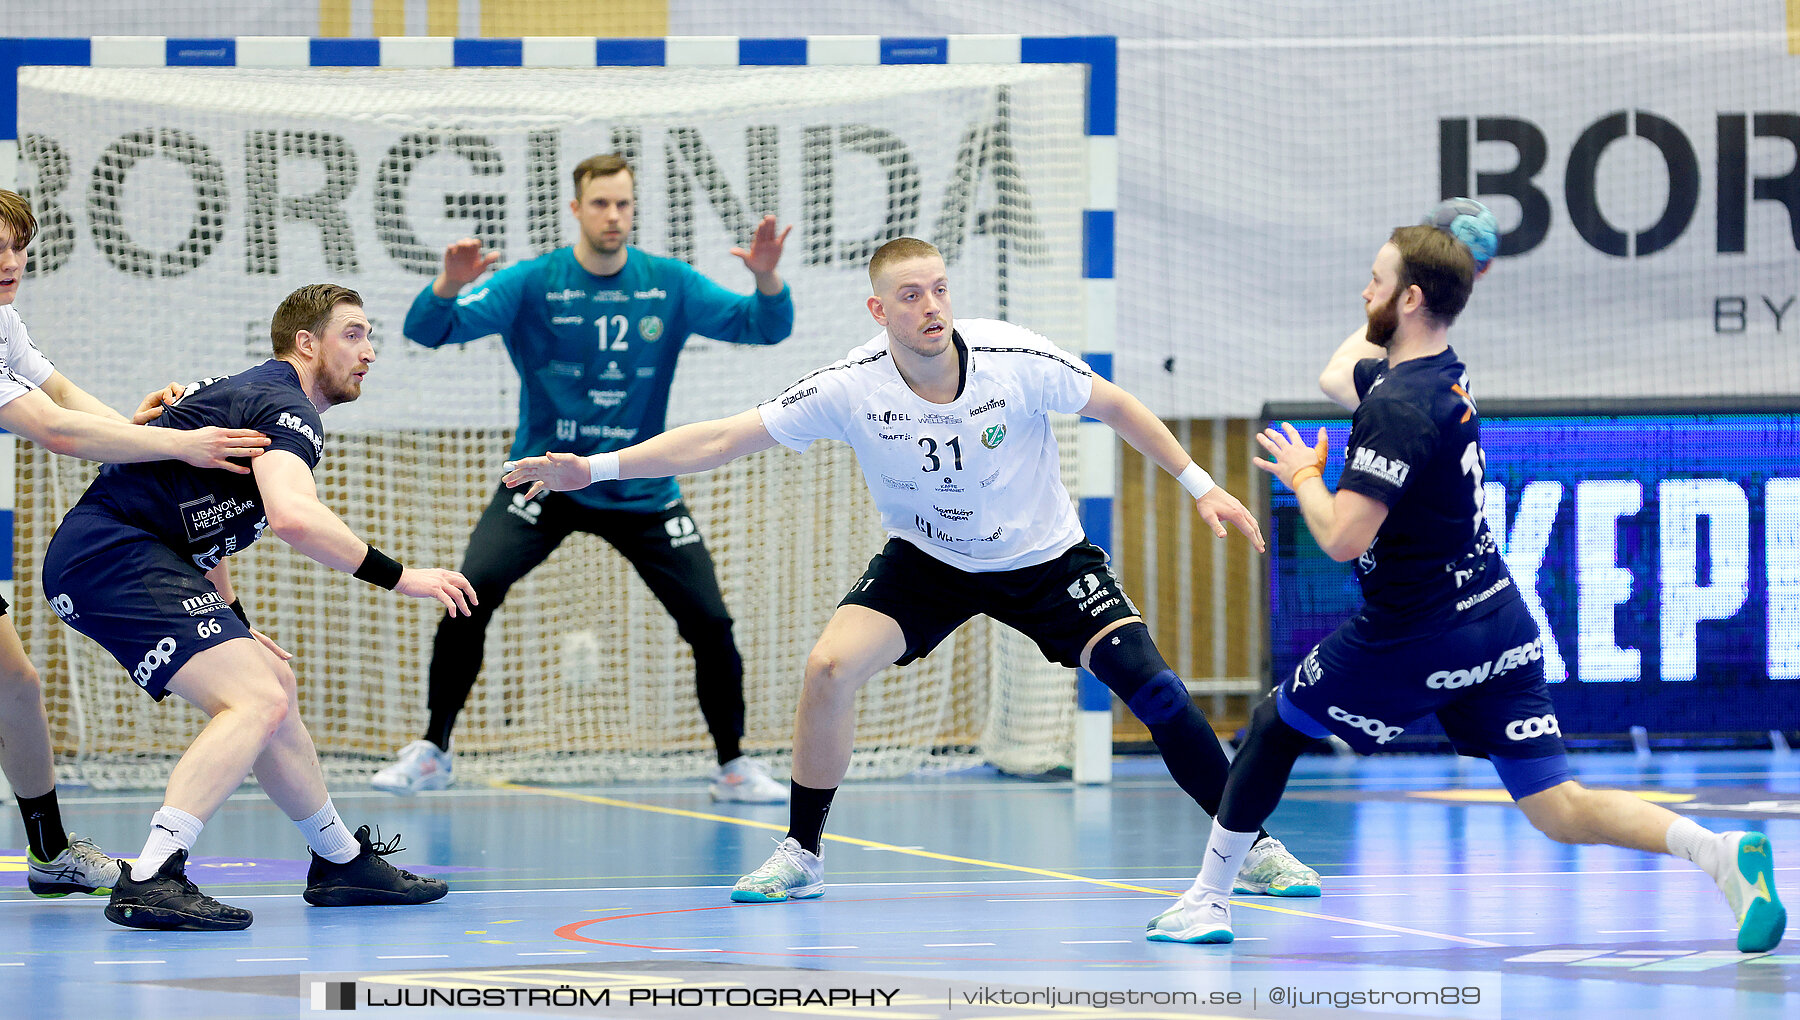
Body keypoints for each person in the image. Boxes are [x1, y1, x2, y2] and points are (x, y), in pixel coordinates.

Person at [502, 236, 1324, 903]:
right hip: (928, 559)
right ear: (878, 309)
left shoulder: (1013, 356)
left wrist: (1202, 484)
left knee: (1157, 690)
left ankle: (1249, 845)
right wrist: (596, 468)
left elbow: (1114, 405)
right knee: (828, 667)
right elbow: (721, 438)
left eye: (938, 290)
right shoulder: (850, 386)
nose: (930, 307)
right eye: (910, 295)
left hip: (1044, 559)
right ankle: (802, 852)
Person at [1143, 223, 1786, 953]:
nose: (1365, 292)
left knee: (1275, 727)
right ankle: (1717, 852)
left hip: (1416, 628)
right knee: (1558, 807)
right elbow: (1337, 372)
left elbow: (1343, 537)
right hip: (1499, 620)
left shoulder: (1398, 408)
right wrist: (1411, 283)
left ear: (1411, 297)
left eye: (1377, 282)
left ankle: (1207, 902)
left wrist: (1301, 479)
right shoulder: (1440, 371)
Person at [41, 283, 477, 930]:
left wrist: (238, 626)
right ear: (307, 342)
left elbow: (195, 524)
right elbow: (295, 517)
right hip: (109, 554)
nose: (370, 351)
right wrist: (404, 576)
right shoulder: (285, 407)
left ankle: (340, 861)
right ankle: (153, 873)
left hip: (128, 553)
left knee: (272, 683)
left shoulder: (253, 395)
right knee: (254, 698)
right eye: (353, 334)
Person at [373, 153, 796, 802]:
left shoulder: (669, 283)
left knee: (710, 621)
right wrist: (447, 285)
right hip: (544, 483)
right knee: (469, 591)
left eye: (624, 203)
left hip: (640, 488)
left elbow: (766, 327)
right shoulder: (534, 283)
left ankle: (733, 766)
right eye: (600, 204)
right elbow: (429, 331)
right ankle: (433, 750)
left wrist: (766, 279)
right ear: (576, 209)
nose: (614, 216)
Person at [0, 189, 272, 898]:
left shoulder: (4, 323)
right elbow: (55, 434)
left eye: (18, 247)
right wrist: (180, 442)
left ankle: (49, 852)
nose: (9, 263)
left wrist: (148, 434)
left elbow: (63, 398)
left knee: (16, 687)